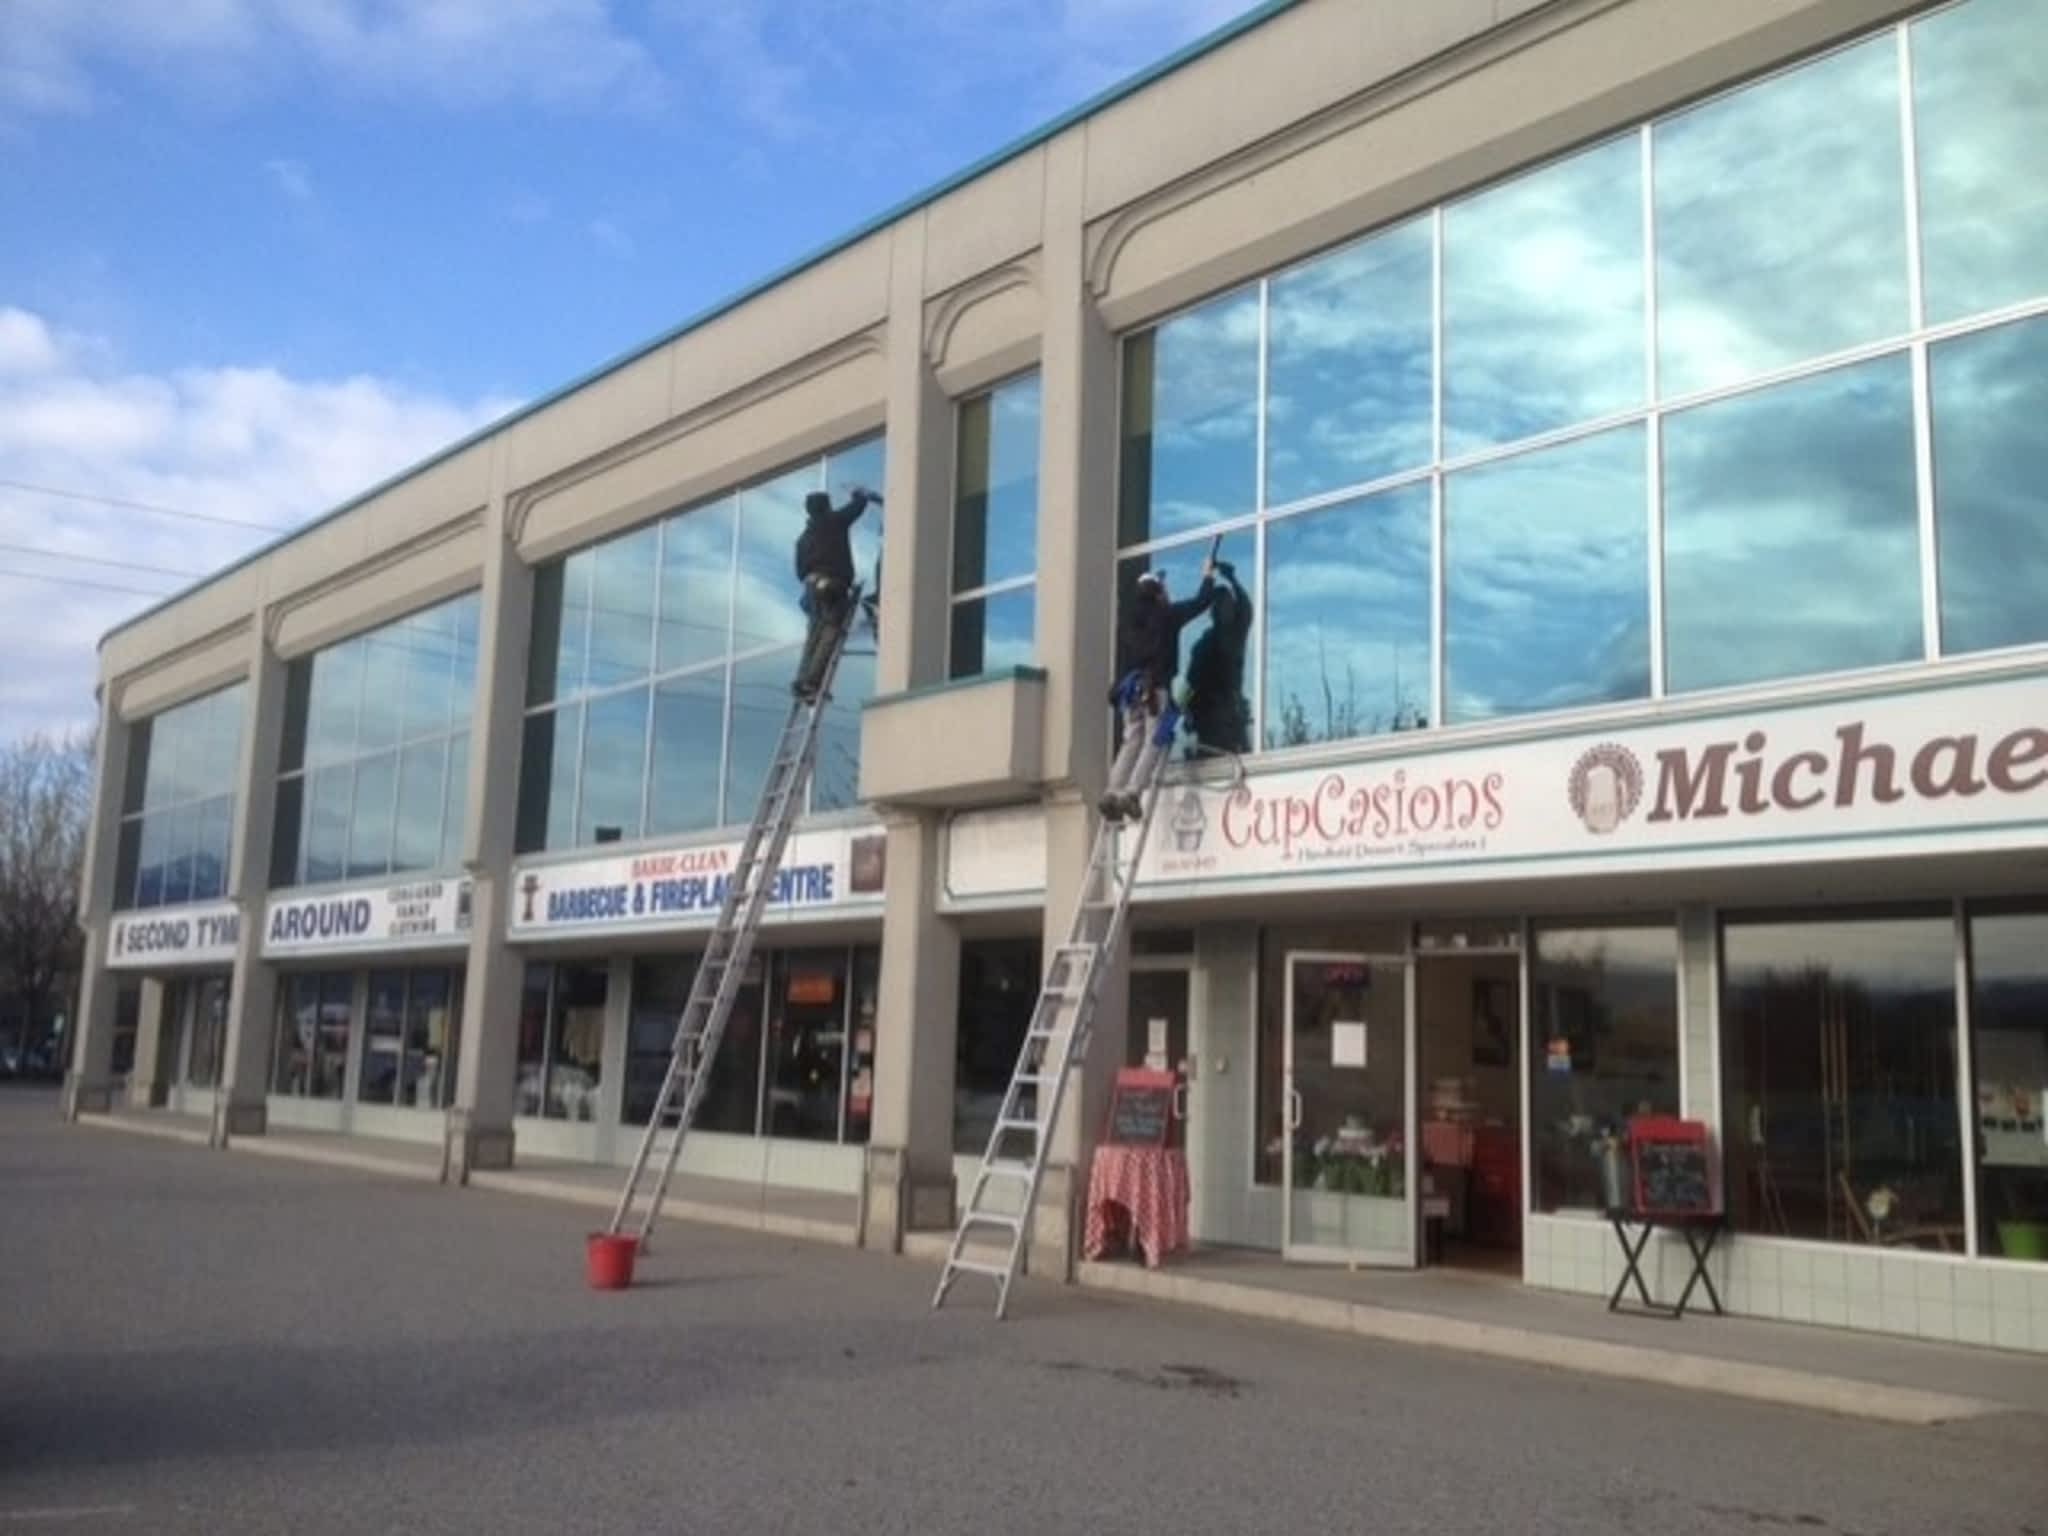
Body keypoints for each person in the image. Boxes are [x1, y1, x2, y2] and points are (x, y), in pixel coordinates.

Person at [1100, 559, 1216, 822]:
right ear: (1158, 592)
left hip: (1129, 691)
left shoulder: (1127, 620)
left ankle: (1111, 792)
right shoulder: (1167, 614)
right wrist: (1208, 575)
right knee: (1154, 741)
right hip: (1154, 688)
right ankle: (1131, 792)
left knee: (1131, 741)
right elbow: (1202, 601)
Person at [792, 486, 874, 700]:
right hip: (831, 586)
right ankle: (811, 682)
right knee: (830, 632)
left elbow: (800, 571)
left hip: (811, 588)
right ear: (826, 507)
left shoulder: (803, 539)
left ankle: (802, 680)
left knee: (814, 636)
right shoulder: (833, 522)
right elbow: (854, 509)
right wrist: (860, 496)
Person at [1185, 559, 1251, 756]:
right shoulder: (1205, 643)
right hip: (1209, 713)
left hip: (1227, 711)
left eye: (1229, 604)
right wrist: (1182, 709)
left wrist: (1232, 579)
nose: (1228, 608)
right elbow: (1190, 681)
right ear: (1214, 611)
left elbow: (1245, 609)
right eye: (1224, 604)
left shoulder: (1233, 635)